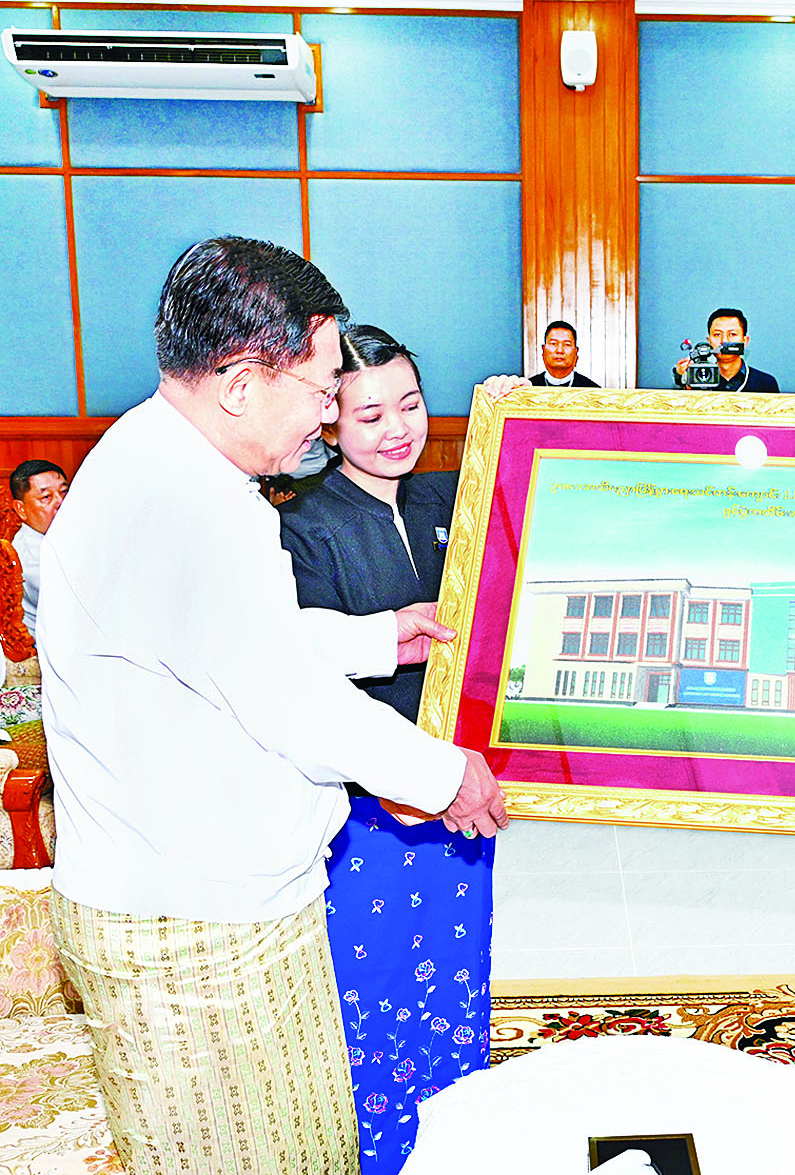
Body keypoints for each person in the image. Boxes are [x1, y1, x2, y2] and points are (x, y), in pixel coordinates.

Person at [40, 236, 510, 1175]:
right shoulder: (186, 507)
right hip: (194, 931)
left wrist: (376, 639)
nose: (332, 412)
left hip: (217, 901)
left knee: (304, 1141)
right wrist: (444, 774)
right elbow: (289, 701)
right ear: (243, 384)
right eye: (324, 387)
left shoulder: (163, 460)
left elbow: (231, 644)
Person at [279, 327, 523, 1172]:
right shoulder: (302, 529)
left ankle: (456, 1140)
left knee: (457, 972)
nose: (397, 429)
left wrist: (519, 419)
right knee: (372, 990)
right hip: (365, 809)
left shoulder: (454, 496)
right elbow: (309, 686)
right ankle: (379, 1152)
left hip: (458, 788)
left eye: (411, 405)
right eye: (370, 413)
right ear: (328, 419)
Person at [8, 458, 67, 637]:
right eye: (46, 497)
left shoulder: (60, 535)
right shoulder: (28, 555)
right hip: (48, 642)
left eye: (64, 492)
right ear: (21, 509)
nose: (61, 503)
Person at [673, 308, 780, 392]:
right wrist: (682, 380)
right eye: (717, 334)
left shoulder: (765, 383)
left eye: (732, 334)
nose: (724, 341)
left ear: (745, 341)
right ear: (709, 341)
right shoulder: (697, 379)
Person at [529, 319, 599, 388]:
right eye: (553, 343)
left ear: (576, 351)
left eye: (567, 344)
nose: (560, 350)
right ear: (543, 349)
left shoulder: (594, 391)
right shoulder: (528, 389)